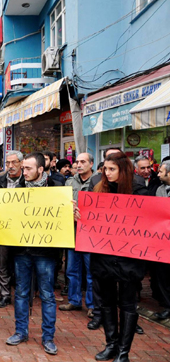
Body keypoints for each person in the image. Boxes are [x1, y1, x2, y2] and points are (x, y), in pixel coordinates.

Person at [74, 151, 147, 362]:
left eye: (112, 169)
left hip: (129, 258)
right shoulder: (98, 189)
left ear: (123, 170)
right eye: (105, 169)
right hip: (103, 256)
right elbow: (90, 220)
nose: (107, 173)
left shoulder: (139, 193)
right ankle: (111, 345)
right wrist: (80, 217)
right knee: (105, 302)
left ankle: (123, 352)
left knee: (127, 304)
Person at [5, 152, 60, 356]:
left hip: (45, 252)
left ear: (40, 169)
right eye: (23, 167)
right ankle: (21, 331)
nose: (24, 171)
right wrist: (0, 210)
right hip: (21, 250)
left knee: (46, 294)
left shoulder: (56, 189)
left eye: (28, 168)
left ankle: (48, 337)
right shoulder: (17, 189)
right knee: (20, 292)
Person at [59, 153, 95, 318]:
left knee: (90, 271)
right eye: (77, 162)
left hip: (90, 235)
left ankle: (92, 304)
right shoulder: (69, 182)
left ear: (91, 164)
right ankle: (74, 300)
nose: (79, 164)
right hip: (72, 233)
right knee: (72, 270)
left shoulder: (98, 182)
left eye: (83, 161)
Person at [0, 150, 25, 308]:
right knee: (3, 262)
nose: (10, 166)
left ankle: (21, 294)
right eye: (8, 163)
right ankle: (4, 294)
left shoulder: (27, 181)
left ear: (21, 163)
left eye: (14, 163)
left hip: (23, 229)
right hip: (4, 228)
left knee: (21, 263)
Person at [152, 160, 170, 321]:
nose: (158, 174)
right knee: (162, 275)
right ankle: (167, 306)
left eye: (161, 172)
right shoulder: (159, 190)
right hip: (163, 241)